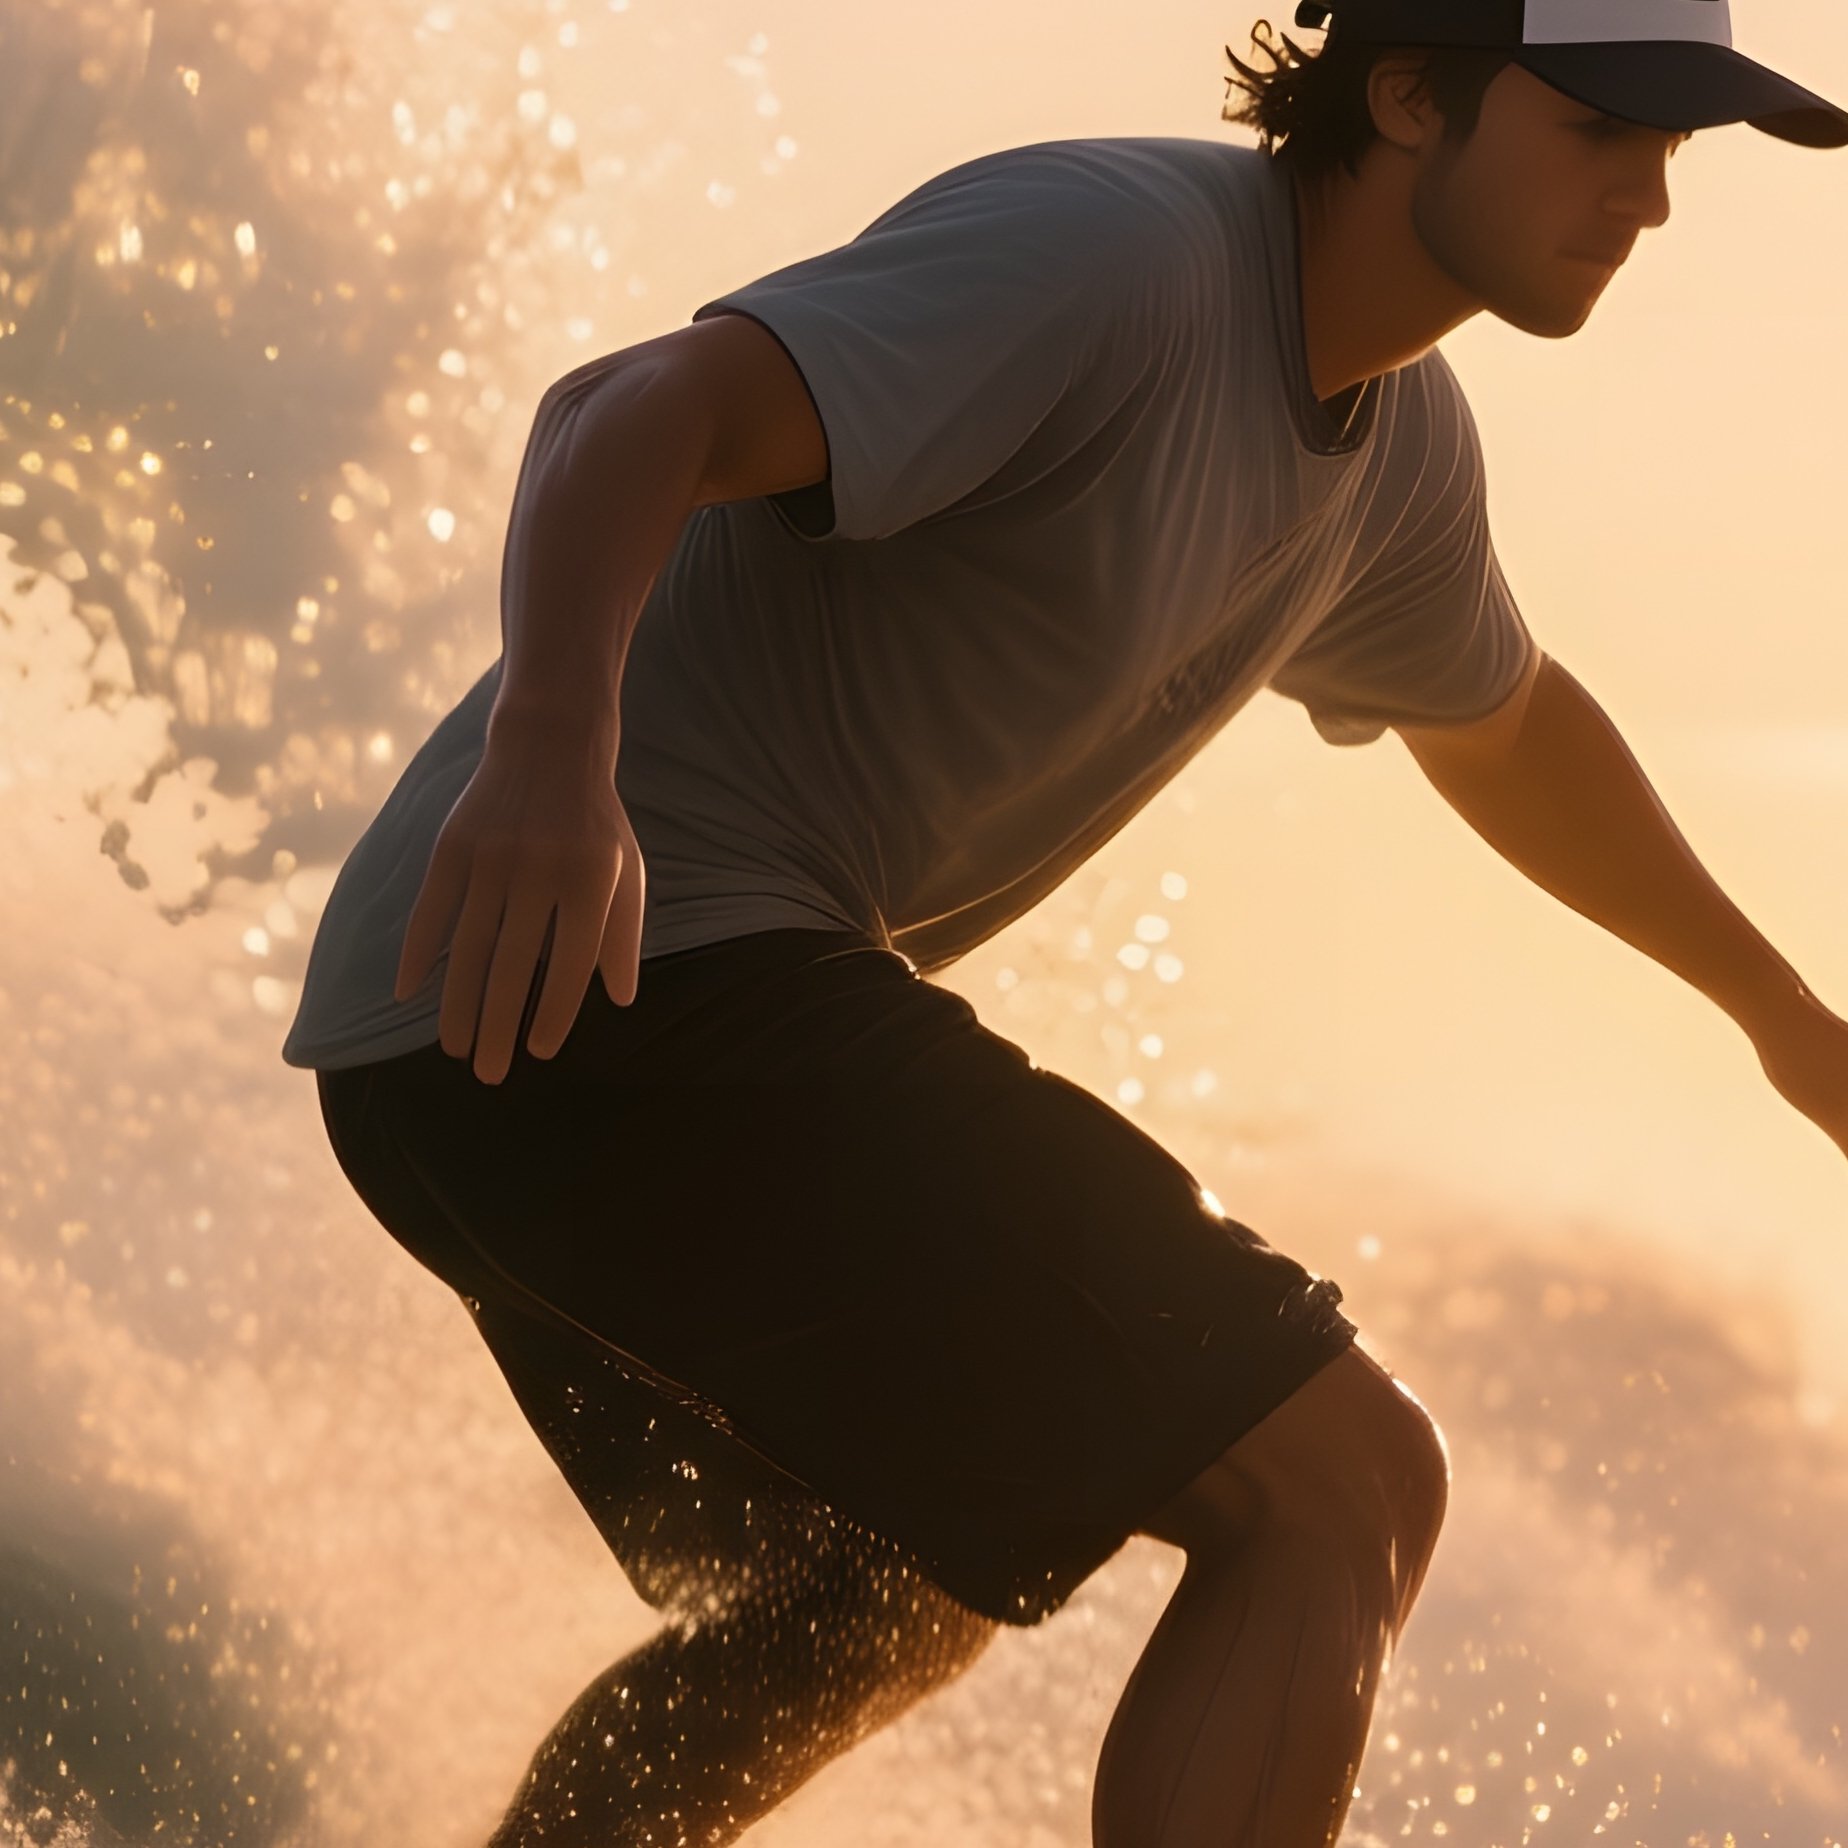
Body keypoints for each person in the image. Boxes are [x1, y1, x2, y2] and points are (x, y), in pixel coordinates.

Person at [286, 2, 1848, 1842]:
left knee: (885, 1595)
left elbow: (1506, 731)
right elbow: (632, 407)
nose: (1651, 198)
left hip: (453, 1055)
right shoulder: (1120, 258)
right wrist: (555, 746)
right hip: (610, 966)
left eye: (1680, 149)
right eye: (1608, 125)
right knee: (1344, 1478)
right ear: (1415, 90)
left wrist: (1794, 1032)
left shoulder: (1401, 457)